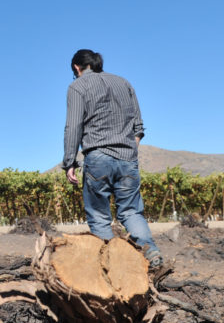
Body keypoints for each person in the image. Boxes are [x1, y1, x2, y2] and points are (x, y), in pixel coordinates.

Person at [63, 49, 162, 267]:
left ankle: (112, 263)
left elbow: (73, 127)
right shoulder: (124, 83)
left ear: (77, 68)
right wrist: (130, 152)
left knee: (99, 216)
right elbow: (138, 127)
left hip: (98, 157)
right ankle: (152, 253)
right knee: (131, 212)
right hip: (128, 157)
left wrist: (69, 162)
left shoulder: (77, 86)